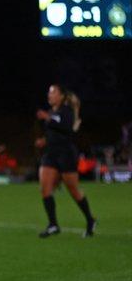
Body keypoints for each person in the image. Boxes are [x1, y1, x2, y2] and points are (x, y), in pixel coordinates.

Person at [35, 84, 96, 238]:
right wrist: (44, 140)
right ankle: (53, 224)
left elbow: (67, 129)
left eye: (53, 92)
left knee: (73, 190)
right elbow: (53, 133)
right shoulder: (51, 112)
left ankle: (90, 220)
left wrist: (48, 118)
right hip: (51, 154)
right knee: (45, 188)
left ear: (61, 96)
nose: (49, 95)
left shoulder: (66, 111)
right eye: (49, 93)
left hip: (66, 154)